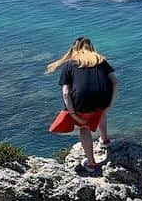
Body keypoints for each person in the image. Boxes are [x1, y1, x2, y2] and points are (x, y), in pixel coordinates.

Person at [45, 37, 117, 174]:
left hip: (82, 102)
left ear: (74, 49)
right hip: (103, 99)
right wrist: (110, 104)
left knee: (84, 128)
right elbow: (115, 82)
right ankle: (105, 140)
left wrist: (72, 114)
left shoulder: (69, 64)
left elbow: (66, 93)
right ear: (91, 48)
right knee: (99, 112)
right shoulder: (101, 61)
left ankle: (91, 164)